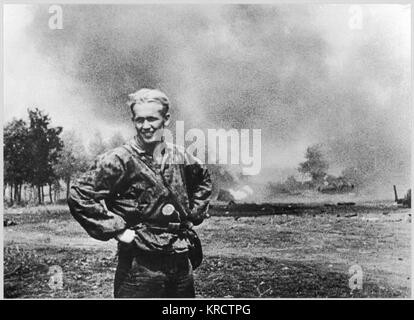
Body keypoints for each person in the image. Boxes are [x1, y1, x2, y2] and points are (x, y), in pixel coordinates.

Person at [68, 88, 212, 298]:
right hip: (141, 265)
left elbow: (203, 179)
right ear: (133, 121)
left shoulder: (179, 155)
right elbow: (79, 194)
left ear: (166, 119)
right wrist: (117, 230)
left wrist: (194, 215)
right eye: (139, 120)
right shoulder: (119, 160)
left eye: (152, 119)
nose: (146, 126)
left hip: (180, 261)